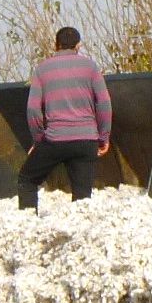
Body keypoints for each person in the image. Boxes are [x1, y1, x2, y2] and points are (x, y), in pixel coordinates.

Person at [16, 26, 112, 207]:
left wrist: (38, 140)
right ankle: (80, 223)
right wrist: (103, 137)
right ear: (78, 46)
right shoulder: (90, 67)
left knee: (27, 179)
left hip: (55, 140)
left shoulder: (42, 69)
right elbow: (104, 103)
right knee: (82, 196)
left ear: (56, 45)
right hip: (86, 140)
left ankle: (28, 221)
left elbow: (33, 109)